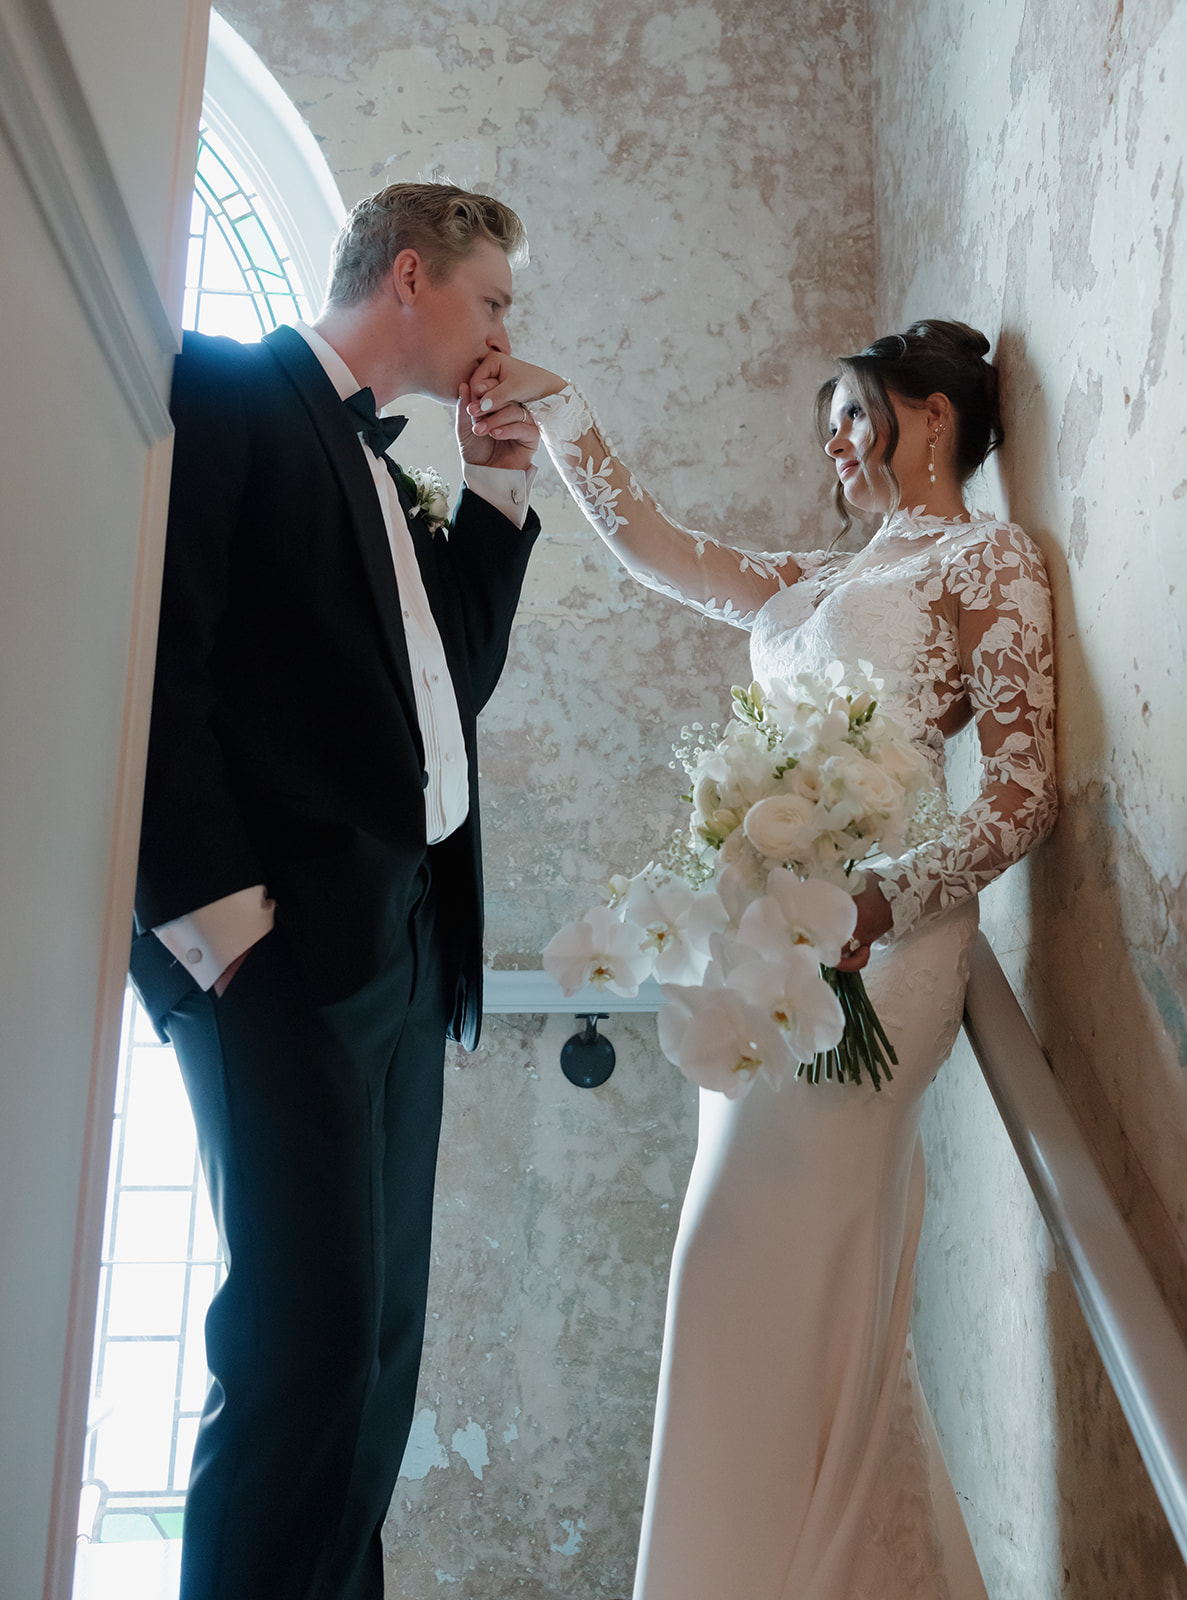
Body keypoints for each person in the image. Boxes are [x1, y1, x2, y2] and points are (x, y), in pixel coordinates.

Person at [465, 320, 1056, 1599]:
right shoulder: (816, 581)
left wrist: (880, 903)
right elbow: (652, 548)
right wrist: (559, 410)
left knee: (750, 1259)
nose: (835, 446)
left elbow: (1021, 794)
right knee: (739, 1275)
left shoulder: (986, 560)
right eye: (828, 429)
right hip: (759, 953)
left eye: (851, 414)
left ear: (933, 415)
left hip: (873, 956)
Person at [128, 183, 541, 1600]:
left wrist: (496, 481)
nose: (504, 334)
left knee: (377, 1344)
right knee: (302, 1341)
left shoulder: (392, 466)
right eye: (494, 301)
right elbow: (156, 665)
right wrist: (222, 925)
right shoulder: (230, 395)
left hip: (408, 947)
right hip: (278, 950)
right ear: (411, 278)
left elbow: (452, 685)